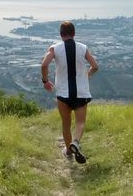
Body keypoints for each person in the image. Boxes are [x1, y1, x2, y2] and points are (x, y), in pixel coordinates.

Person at [41, 21, 99, 164]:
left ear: (61, 35)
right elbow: (95, 66)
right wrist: (86, 75)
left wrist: (45, 81)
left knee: (66, 123)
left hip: (63, 93)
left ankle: (68, 150)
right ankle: (76, 142)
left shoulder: (54, 48)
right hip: (81, 92)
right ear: (74, 34)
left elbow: (44, 64)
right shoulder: (83, 48)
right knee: (80, 122)